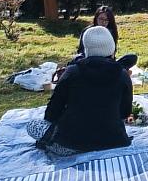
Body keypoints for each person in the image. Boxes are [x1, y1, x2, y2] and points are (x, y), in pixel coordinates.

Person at [28, 26, 132, 156]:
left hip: (71, 144)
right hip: (114, 142)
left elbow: (51, 113)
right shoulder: (123, 74)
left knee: (32, 125)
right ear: (112, 48)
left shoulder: (71, 72)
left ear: (86, 49)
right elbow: (125, 113)